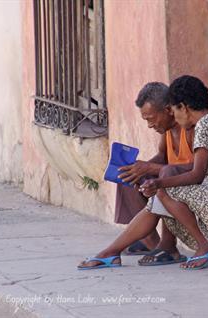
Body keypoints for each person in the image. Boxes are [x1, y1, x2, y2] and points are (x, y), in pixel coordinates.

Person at [77, 75, 208, 270]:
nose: (174, 116)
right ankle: (112, 252)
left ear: (182, 107)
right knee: (160, 194)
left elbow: (196, 174)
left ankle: (203, 246)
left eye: (173, 109)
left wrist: (158, 183)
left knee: (164, 192)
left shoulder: (204, 125)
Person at [78, 82, 194, 269]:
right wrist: (140, 168)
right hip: (171, 176)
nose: (149, 125)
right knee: (128, 176)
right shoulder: (165, 131)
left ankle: (168, 246)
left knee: (164, 177)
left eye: (151, 119)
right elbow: (163, 158)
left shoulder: (188, 128)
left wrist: (150, 168)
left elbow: (193, 169)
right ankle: (153, 244)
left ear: (167, 110)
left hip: (187, 183)